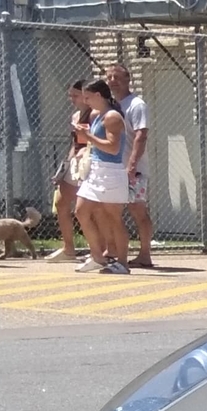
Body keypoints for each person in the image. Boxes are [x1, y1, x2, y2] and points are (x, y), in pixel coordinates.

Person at [75, 80, 132, 274]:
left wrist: (88, 137)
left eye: (88, 97)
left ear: (99, 95)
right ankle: (97, 257)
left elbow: (113, 147)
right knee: (81, 210)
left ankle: (123, 262)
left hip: (111, 171)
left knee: (114, 217)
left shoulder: (112, 117)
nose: (85, 101)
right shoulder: (96, 115)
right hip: (96, 170)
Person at [109, 61, 153, 269]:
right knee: (110, 210)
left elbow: (141, 136)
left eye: (117, 78)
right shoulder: (111, 105)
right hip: (113, 168)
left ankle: (145, 254)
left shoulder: (136, 105)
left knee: (138, 210)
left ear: (128, 80)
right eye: (109, 77)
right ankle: (114, 251)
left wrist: (132, 165)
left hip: (133, 170)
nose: (112, 82)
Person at [51, 78, 89, 262]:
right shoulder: (75, 116)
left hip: (89, 163)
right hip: (74, 163)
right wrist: (64, 167)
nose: (72, 99)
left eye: (75, 95)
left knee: (87, 208)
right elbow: (74, 143)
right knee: (60, 201)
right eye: (70, 96)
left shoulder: (96, 114)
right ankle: (68, 248)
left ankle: (101, 248)